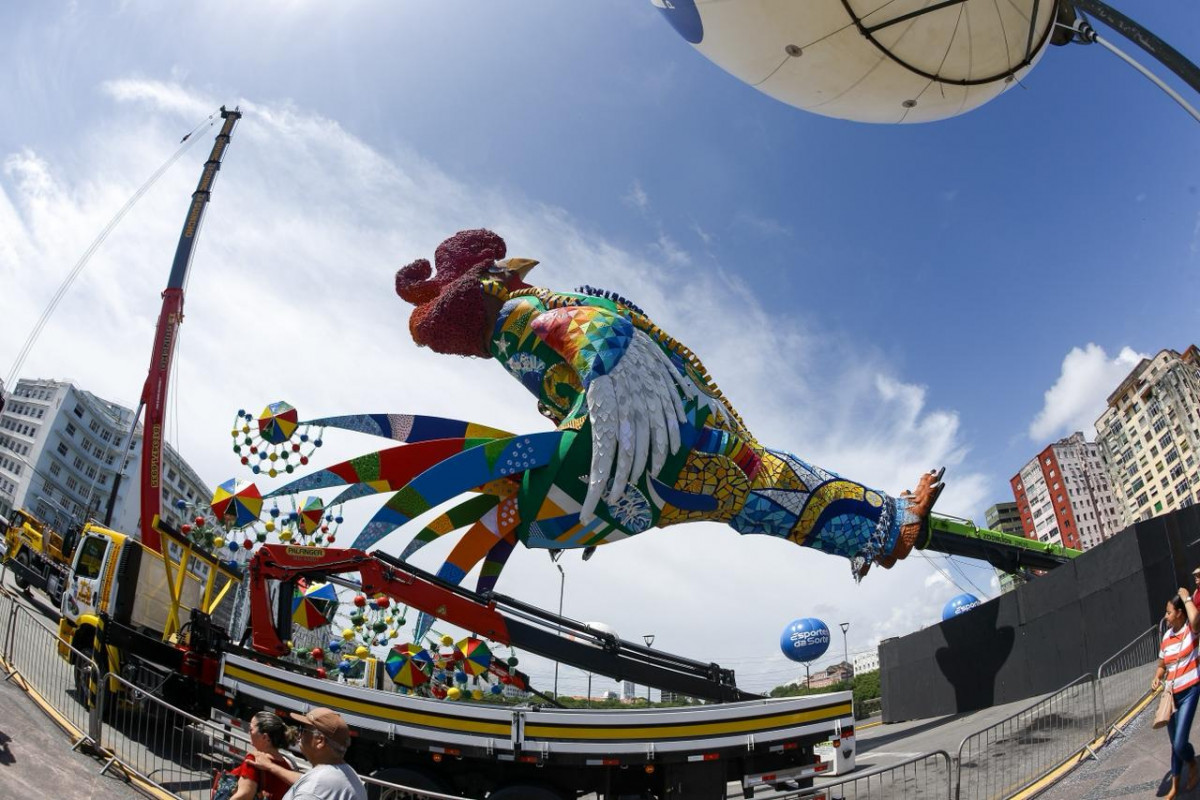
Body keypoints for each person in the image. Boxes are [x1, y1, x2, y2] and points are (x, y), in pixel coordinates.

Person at [253, 707, 366, 800]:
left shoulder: (312, 790)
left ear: (320, 741)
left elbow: (312, 787)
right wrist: (270, 766)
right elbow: (305, 779)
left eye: (303, 730)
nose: (299, 733)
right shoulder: (349, 776)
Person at [1153, 588, 1200, 799]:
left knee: (1180, 742)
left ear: (1179, 613)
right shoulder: (1165, 637)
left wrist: (1186, 598)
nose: (1166, 616)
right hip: (1171, 696)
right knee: (1174, 744)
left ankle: (1192, 764)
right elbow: (1162, 665)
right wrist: (1157, 676)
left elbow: (1196, 617)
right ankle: (1175, 786)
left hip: (1190, 691)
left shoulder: (1192, 630)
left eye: (1169, 612)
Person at [228, 712, 298, 800]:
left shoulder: (254, 760)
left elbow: (244, 795)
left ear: (265, 737)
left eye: (251, 729)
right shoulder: (286, 767)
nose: (249, 732)